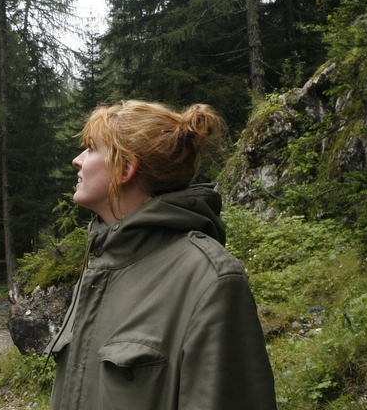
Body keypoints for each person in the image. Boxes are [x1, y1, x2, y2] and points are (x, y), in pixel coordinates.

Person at [47, 100, 277, 410]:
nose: (77, 160)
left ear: (125, 169)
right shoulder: (101, 266)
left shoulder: (209, 280)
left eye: (90, 148)